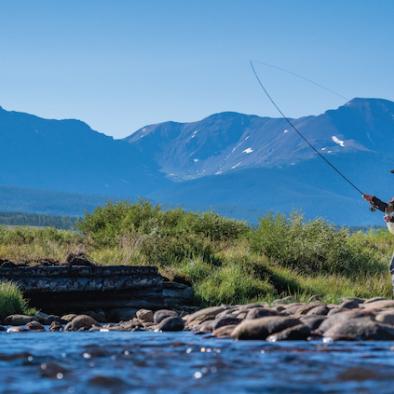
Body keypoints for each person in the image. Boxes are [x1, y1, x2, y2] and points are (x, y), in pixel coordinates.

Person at [363, 193, 394, 290]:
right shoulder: (390, 208)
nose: (391, 204)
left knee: (393, 267)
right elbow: (383, 205)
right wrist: (372, 199)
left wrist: (391, 219)